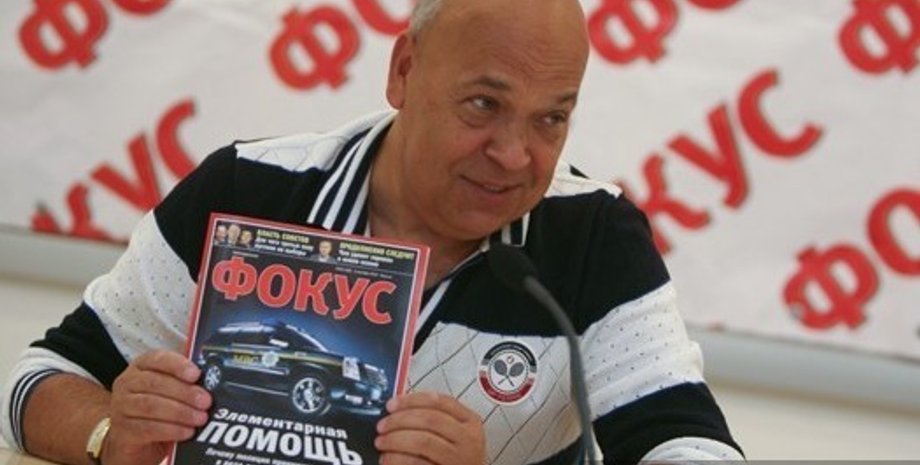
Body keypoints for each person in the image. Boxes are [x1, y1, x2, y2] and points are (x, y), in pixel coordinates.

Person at [0, 0, 744, 463]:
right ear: (405, 71)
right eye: (484, 105)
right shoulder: (248, 190)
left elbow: (693, 446)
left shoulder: (593, 236)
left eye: (552, 117)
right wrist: (108, 436)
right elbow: (35, 380)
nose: (516, 156)